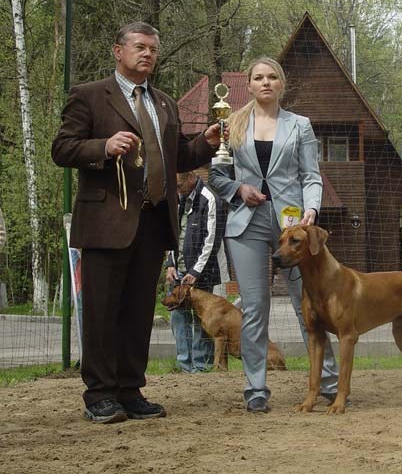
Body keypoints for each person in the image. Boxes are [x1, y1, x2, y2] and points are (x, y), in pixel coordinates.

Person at [51, 22, 221, 424]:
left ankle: (130, 389)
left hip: (152, 222)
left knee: (138, 313)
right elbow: (62, 148)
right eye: (140, 48)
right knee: (101, 311)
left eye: (153, 50)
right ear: (118, 51)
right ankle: (100, 394)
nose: (147, 55)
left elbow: (177, 155)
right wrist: (103, 147)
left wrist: (207, 145)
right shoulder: (90, 96)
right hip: (106, 221)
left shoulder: (163, 103)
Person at [208, 56, 340, 414]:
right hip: (245, 224)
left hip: (292, 226)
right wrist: (239, 190)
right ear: (248, 85)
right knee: (254, 308)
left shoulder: (300, 126)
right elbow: (216, 176)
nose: (265, 83)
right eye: (258, 78)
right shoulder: (231, 124)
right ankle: (255, 389)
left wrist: (311, 210)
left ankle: (329, 382)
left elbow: (311, 176)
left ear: (282, 84)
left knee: (309, 306)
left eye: (272, 77)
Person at [165, 170, 226, 373]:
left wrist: (196, 271)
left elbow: (212, 240)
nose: (178, 191)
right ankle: (184, 365)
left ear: (191, 177)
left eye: (180, 186)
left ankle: (201, 365)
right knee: (178, 317)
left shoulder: (210, 199)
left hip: (201, 272)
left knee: (203, 321)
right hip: (178, 270)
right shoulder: (176, 197)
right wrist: (170, 264)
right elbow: (170, 233)